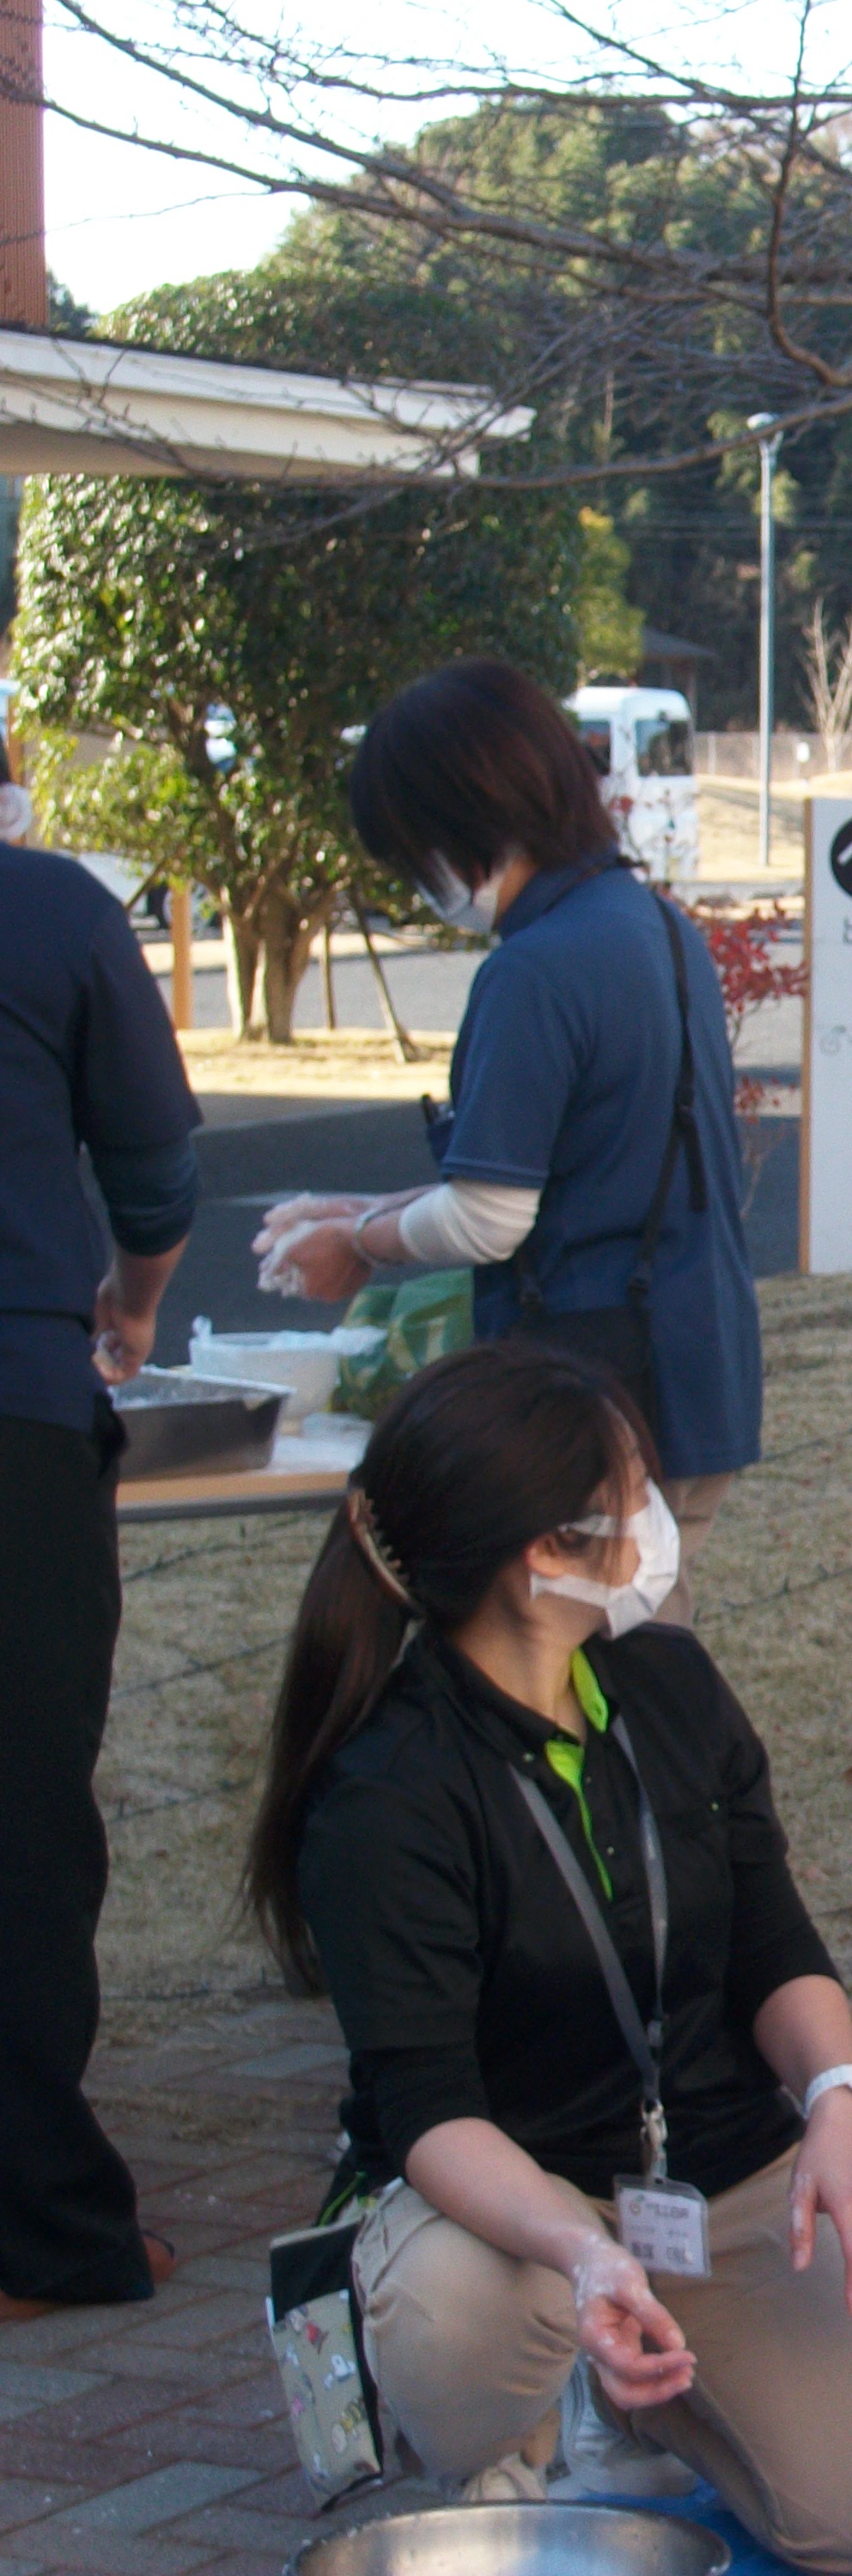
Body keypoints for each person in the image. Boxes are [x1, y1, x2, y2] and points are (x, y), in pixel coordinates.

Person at [243, 1341, 852, 2570]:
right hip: (508, 2208)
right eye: (632, 1491)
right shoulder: (389, 1792)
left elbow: (775, 1943)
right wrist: (585, 2253)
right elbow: (427, 2109)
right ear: (543, 1551)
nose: (657, 1512)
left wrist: (842, 2104)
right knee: (487, 2302)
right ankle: (508, 2436)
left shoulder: (668, 1682)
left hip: (710, 2176)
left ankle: (639, 2392)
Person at [255, 660, 760, 1620]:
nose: (418, 884)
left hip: (587, 1401)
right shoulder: (655, 928)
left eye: (412, 855)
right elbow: (579, 1168)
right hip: (695, 1377)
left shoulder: (536, 970)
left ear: (460, 821)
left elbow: (489, 1217)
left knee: (561, 1660)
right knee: (646, 1652)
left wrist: (359, 1242)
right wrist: (367, 1211)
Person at [0, 828, 198, 2321]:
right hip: (18, 1414)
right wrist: (128, 1309)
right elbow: (151, 1168)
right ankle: (40, 2228)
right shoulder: (52, 909)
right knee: (19, 1820)